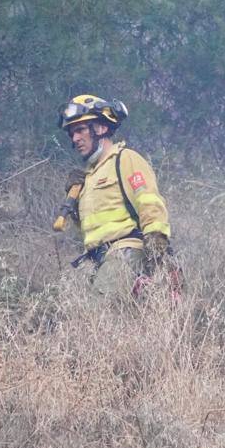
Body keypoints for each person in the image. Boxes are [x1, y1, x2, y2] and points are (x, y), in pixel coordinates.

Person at [59, 94, 172, 299]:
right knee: (69, 312)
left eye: (80, 130)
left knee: (96, 315)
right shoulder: (89, 177)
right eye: (72, 134)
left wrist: (156, 240)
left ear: (101, 128)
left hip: (124, 253)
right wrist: (75, 209)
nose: (75, 139)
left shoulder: (125, 159)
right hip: (96, 259)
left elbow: (149, 201)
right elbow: (90, 229)